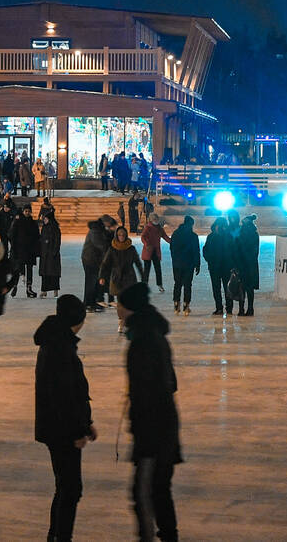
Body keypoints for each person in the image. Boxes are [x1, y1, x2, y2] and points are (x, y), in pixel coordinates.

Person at [117, 282, 180, 542]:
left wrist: (142, 432)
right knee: (158, 491)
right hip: (162, 428)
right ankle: (168, 536)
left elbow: (149, 392)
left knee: (143, 494)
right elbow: (170, 383)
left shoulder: (142, 341)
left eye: (119, 304)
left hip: (153, 433)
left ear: (129, 308)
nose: (116, 309)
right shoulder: (151, 333)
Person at [34, 295, 95, 542]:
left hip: (57, 428)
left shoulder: (55, 341)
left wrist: (86, 424)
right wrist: (78, 431)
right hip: (62, 431)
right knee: (70, 489)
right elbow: (64, 396)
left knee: (66, 487)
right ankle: (60, 537)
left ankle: (56, 536)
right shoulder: (59, 347)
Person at [102, 226, 146, 332]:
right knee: (120, 303)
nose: (121, 237)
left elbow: (137, 263)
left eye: (123, 235)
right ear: (117, 236)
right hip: (117, 278)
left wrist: (143, 276)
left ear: (125, 236)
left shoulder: (131, 248)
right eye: (119, 235)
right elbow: (105, 264)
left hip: (129, 278)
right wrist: (102, 276)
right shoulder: (112, 249)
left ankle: (129, 320)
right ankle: (121, 321)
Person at [80, 215, 114, 313]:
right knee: (91, 282)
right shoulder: (95, 230)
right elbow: (100, 245)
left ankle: (93, 302)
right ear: (105, 222)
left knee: (96, 282)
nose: (109, 225)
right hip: (90, 260)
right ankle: (87, 303)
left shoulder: (100, 229)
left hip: (96, 260)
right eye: (109, 223)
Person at [202, 217, 233, 317]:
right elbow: (205, 250)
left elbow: (205, 250)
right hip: (220, 267)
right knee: (222, 288)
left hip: (219, 267)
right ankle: (224, 308)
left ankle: (222, 308)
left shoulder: (214, 236)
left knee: (222, 288)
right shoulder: (224, 236)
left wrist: (210, 260)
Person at [169, 216, 200, 316]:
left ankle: (176, 304)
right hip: (189, 264)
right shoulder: (193, 236)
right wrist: (197, 264)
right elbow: (196, 251)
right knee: (187, 285)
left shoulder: (176, 234)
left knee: (177, 283)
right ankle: (186, 306)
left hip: (177, 264)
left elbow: (171, 248)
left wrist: (174, 259)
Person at [234, 215, 260, 316]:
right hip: (251, 265)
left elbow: (236, 251)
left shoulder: (240, 235)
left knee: (242, 288)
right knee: (250, 288)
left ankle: (241, 309)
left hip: (241, 264)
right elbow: (255, 251)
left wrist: (237, 263)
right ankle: (250, 308)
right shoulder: (255, 234)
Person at [13, 205, 41, 297]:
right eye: (26, 211)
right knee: (18, 268)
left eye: (29, 211)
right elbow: (12, 235)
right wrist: (14, 247)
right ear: (23, 212)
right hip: (20, 249)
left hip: (30, 250)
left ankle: (29, 288)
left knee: (29, 269)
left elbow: (37, 236)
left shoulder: (33, 223)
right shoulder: (17, 222)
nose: (27, 213)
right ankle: (15, 286)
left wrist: (37, 249)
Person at [38, 209, 63, 298]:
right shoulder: (44, 228)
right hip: (44, 254)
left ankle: (55, 291)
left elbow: (57, 241)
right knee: (44, 274)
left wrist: (54, 252)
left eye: (45, 218)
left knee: (54, 274)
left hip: (52, 255)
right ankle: (44, 290)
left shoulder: (55, 228)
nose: (44, 220)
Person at [141, 214, 167, 292]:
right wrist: (146, 244)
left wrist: (173, 242)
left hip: (156, 251)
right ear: (151, 220)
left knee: (158, 269)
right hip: (148, 251)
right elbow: (143, 237)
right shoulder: (148, 228)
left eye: (157, 219)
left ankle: (160, 285)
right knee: (146, 270)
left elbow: (165, 237)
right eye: (155, 219)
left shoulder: (160, 229)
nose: (156, 220)